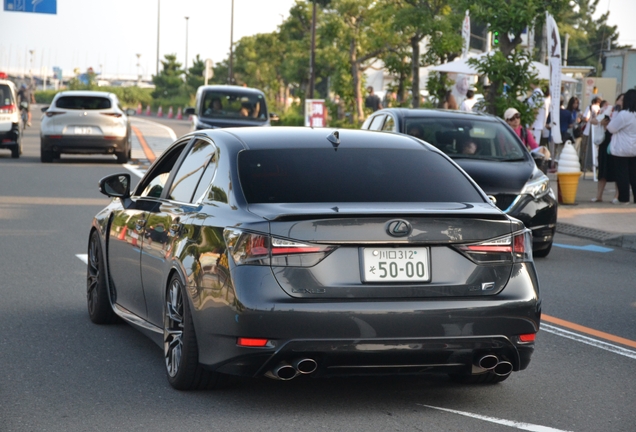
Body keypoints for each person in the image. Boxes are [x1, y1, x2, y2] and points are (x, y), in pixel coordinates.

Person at [606, 89, 636, 204]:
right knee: (634, 175)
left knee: (622, 175)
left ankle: (624, 198)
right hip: (634, 148)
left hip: (621, 149)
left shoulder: (624, 114)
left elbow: (611, 128)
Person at [580, 96, 601, 168]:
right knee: (595, 150)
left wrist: (581, 117)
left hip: (588, 131)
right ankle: (594, 166)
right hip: (598, 132)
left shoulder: (590, 107)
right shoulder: (601, 109)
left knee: (585, 149)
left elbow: (586, 118)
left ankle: (584, 165)